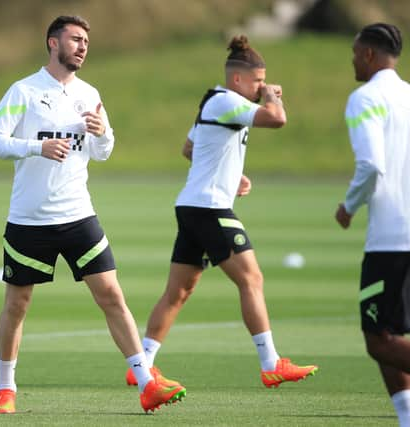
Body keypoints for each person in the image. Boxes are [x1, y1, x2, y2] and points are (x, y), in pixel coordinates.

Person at [0, 15, 186, 414]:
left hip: (78, 215)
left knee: (111, 294)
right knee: (17, 304)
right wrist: (36, 148)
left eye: (86, 41)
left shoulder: (89, 93)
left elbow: (103, 152)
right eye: (75, 39)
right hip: (30, 219)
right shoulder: (23, 90)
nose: (83, 46)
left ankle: (146, 383)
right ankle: (6, 388)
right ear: (53, 43)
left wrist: (101, 131)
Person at [125, 35, 318, 389]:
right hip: (210, 207)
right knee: (252, 279)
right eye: (258, 81)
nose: (262, 87)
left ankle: (144, 363)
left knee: (179, 292)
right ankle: (271, 362)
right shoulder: (227, 101)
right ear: (238, 79)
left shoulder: (215, 100)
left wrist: (230, 172)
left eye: (264, 82)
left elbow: (189, 148)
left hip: (193, 205)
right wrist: (273, 95)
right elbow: (277, 119)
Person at [335, 22, 410, 427]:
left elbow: (371, 163)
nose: (352, 60)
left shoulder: (365, 98)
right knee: (388, 336)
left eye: (355, 53)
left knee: (379, 340)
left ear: (369, 54)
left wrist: (349, 206)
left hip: (393, 233)